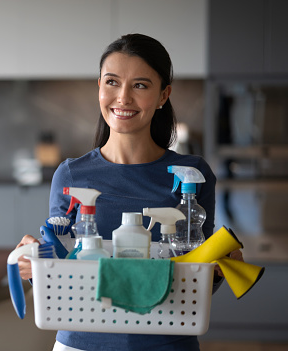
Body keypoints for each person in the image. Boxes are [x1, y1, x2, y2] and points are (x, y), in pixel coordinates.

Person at [16, 33, 243, 351]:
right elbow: (60, 270)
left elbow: (196, 281)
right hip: (83, 342)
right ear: (99, 87)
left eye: (140, 85)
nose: (122, 98)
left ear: (164, 95)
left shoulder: (193, 175)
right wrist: (35, 265)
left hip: (166, 340)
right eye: (112, 82)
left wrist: (219, 269)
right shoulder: (70, 174)